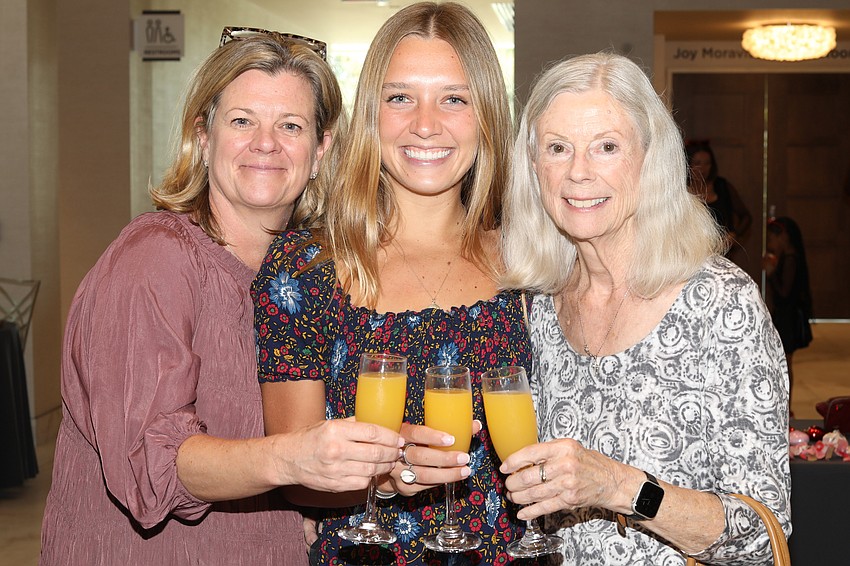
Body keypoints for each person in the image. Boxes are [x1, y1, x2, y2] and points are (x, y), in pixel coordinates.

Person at [40, 29, 404, 566]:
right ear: (203, 136)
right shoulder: (156, 258)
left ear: (322, 148)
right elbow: (151, 466)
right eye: (242, 121)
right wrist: (292, 459)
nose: (266, 143)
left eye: (291, 125)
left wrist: (384, 471)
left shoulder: (308, 279)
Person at [253, 3, 530, 564]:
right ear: (370, 116)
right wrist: (384, 478)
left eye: (454, 98)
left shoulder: (532, 266)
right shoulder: (303, 269)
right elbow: (292, 475)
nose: (425, 124)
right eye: (400, 97)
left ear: (487, 116)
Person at [499, 52, 790, 564]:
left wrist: (619, 486)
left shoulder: (721, 305)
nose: (578, 173)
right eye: (557, 148)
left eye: (606, 147)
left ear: (649, 158)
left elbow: (764, 539)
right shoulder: (539, 309)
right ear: (533, 166)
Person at [763, 216, 813, 414]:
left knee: (786, 361)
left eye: (772, 239)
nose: (770, 244)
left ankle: (787, 406)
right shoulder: (787, 256)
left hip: (788, 318)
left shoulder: (791, 258)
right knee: (784, 361)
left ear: (783, 237)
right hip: (784, 316)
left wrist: (771, 272)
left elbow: (784, 292)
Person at [686, 141, 753, 256]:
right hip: (690, 254)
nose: (703, 168)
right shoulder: (681, 190)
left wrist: (733, 234)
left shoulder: (722, 187)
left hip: (720, 254)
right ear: (688, 164)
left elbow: (746, 217)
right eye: (697, 163)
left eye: (707, 163)